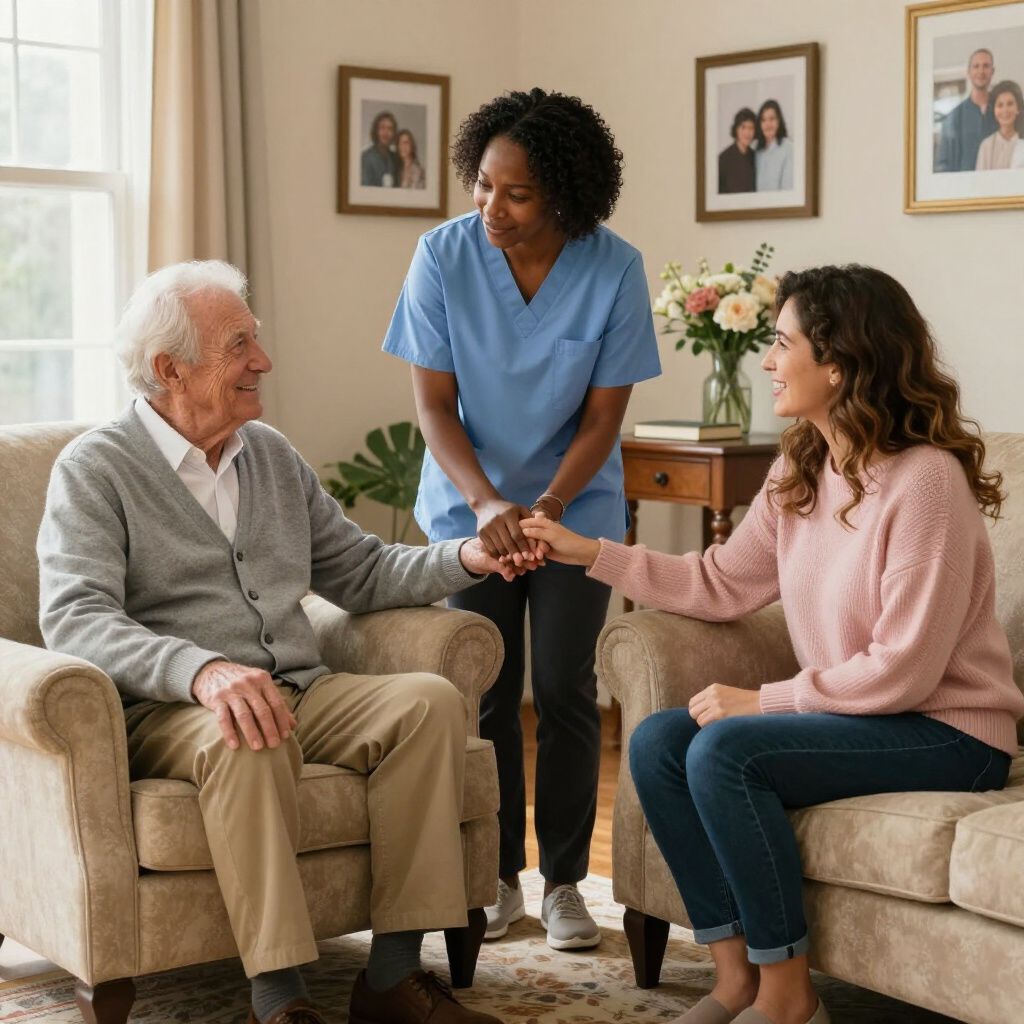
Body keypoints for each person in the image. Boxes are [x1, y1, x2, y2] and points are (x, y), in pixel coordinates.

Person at [520, 264, 1024, 1024]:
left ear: (838, 362)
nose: (765, 361)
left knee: (727, 749)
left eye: (781, 343)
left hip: (949, 730)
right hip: (869, 718)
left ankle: (791, 999)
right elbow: (720, 582)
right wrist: (588, 552)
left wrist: (765, 700)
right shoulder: (803, 466)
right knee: (658, 741)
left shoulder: (925, 483)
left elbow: (907, 670)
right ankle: (736, 981)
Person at [36, 260, 524, 1024]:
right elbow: (76, 617)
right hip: (168, 710)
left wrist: (465, 556)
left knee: (428, 704)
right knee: (247, 731)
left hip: (302, 686)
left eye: (255, 341)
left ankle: (391, 978)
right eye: (239, 346)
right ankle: (282, 999)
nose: (262, 361)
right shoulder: (95, 470)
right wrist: (200, 672)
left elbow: (359, 570)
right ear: (171, 368)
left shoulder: (267, 453)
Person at [382, 88, 661, 953]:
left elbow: (603, 419)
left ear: (566, 197)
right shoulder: (441, 257)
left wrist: (546, 508)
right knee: (492, 693)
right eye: (482, 186)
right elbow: (433, 406)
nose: (490, 208)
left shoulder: (613, 268)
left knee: (569, 691)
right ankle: (501, 879)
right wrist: (487, 505)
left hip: (575, 510)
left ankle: (569, 884)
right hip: (469, 509)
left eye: (516, 194)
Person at [936, 48, 997, 172]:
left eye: (986, 66)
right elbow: (943, 166)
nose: (981, 71)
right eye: (976, 66)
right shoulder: (953, 117)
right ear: (968, 72)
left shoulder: (1004, 112)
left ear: (992, 71)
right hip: (965, 188)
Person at [976, 79, 1024, 170]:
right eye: (1000, 105)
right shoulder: (986, 146)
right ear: (994, 110)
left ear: (1018, 108)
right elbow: (980, 181)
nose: (1005, 110)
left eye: (1010, 104)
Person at [754, 100, 793, 191]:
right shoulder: (756, 150)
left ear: (779, 121)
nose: (767, 124)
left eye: (772, 119)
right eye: (763, 120)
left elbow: (787, 188)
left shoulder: (788, 148)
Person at [718, 108, 757, 193]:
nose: (747, 132)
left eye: (751, 128)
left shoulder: (756, 157)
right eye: (743, 127)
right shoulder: (723, 159)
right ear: (736, 129)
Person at [360, 110, 400, 187]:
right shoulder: (366, 157)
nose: (386, 133)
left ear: (394, 133)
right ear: (376, 131)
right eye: (382, 128)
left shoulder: (396, 158)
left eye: (390, 129)